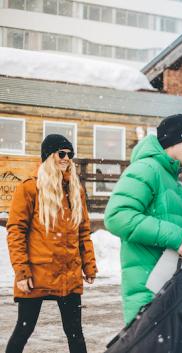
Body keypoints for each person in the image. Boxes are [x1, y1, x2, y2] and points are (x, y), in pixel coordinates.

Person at [6, 134, 97, 353]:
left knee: (75, 332)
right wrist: (22, 271)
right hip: (37, 274)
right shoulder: (29, 188)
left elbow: (83, 231)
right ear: (48, 156)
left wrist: (89, 263)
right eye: (62, 153)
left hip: (69, 274)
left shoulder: (76, 190)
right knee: (24, 329)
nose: (67, 158)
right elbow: (16, 231)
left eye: (70, 154)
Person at [104, 114, 182, 325]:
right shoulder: (146, 169)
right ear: (174, 140)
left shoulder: (172, 179)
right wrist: (175, 236)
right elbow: (117, 216)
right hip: (147, 293)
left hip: (167, 290)